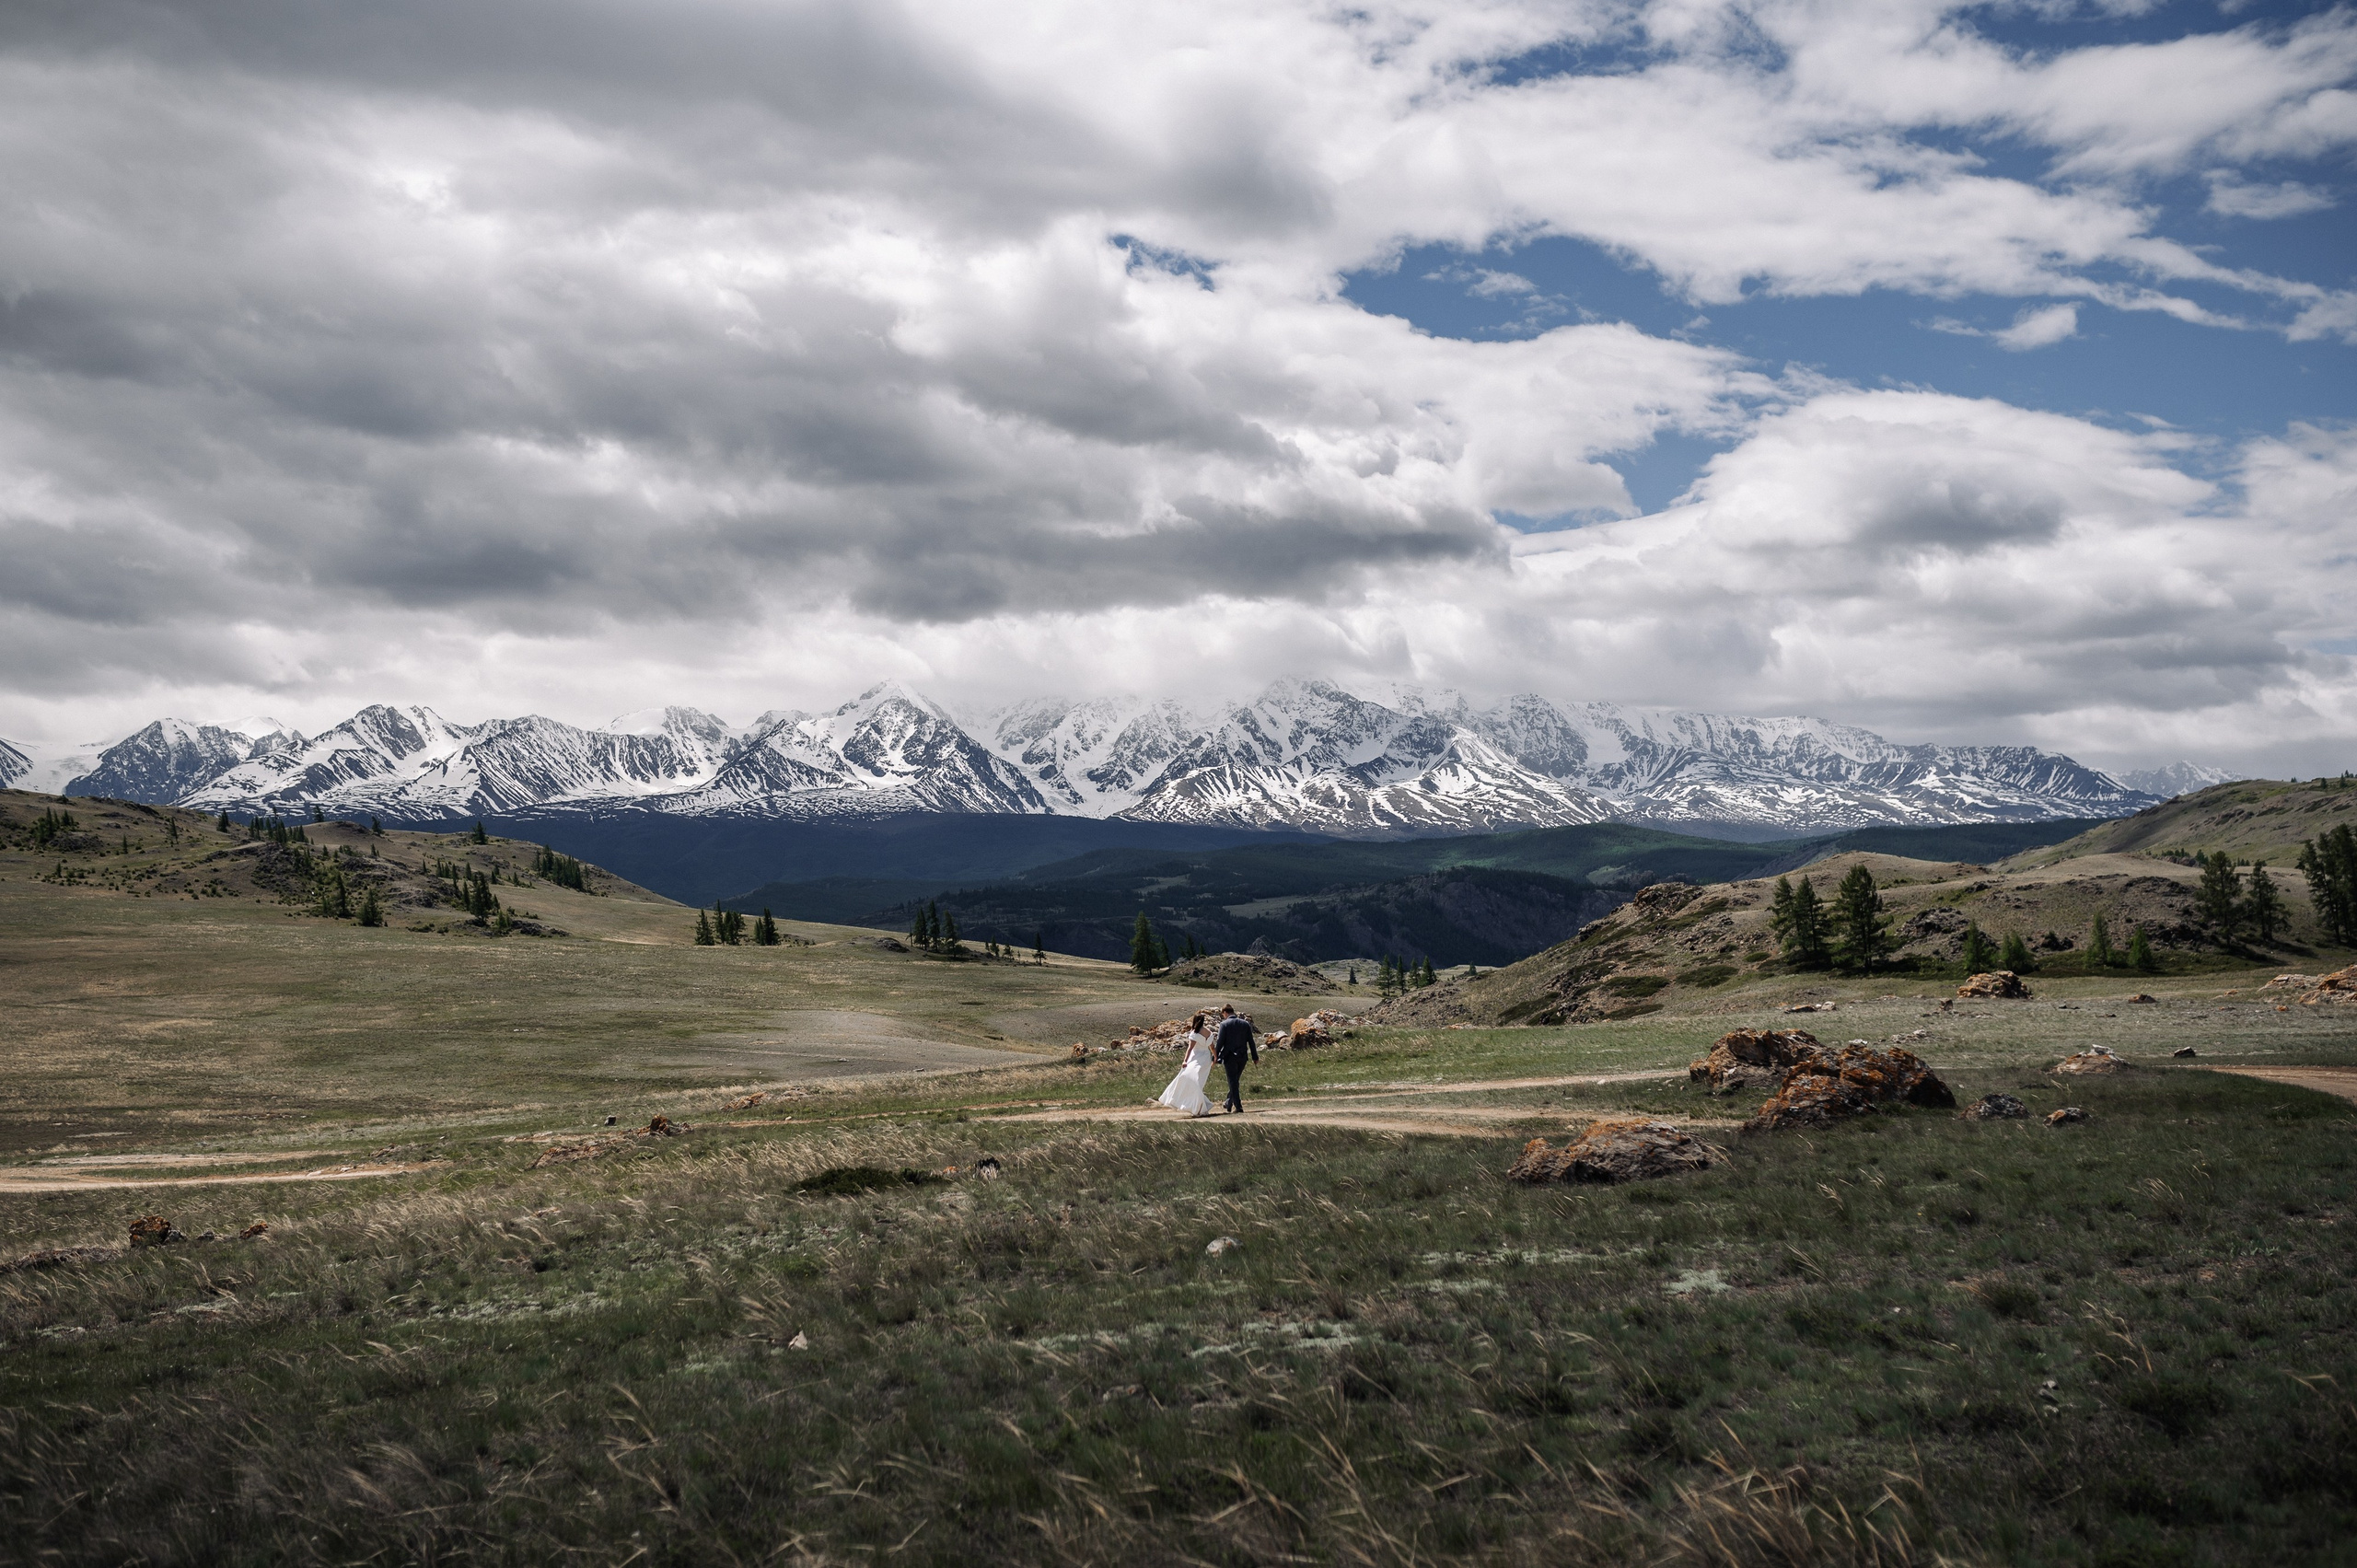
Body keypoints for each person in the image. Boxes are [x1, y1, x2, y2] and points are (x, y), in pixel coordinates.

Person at [1155, 1012, 1216, 1118]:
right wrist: (1215, 1057)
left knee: (1192, 1080)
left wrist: (1185, 1061)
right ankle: (1200, 1107)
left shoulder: (1195, 1033)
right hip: (1205, 1057)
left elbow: (1190, 1048)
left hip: (1197, 1058)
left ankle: (1197, 1108)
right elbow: (1212, 1048)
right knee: (1193, 1080)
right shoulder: (1208, 1032)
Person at [1213, 1004, 1257, 1113]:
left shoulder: (1224, 1024)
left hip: (1230, 1056)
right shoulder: (1245, 1024)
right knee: (1235, 1081)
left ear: (1225, 1013)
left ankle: (1238, 1106)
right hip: (1243, 1056)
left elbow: (1220, 1042)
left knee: (1233, 1081)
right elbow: (1251, 1041)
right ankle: (1229, 1102)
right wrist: (1255, 1057)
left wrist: (1214, 1056)